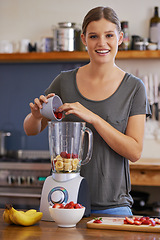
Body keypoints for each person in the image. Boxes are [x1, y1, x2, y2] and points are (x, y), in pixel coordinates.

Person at [23, 6, 151, 215]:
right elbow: (30, 129)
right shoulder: (64, 82)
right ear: (84, 39)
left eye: (109, 35)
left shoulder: (134, 87)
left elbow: (134, 151)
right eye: (93, 36)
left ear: (120, 38)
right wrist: (36, 115)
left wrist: (94, 118)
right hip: (64, 203)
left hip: (113, 206)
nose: (101, 43)